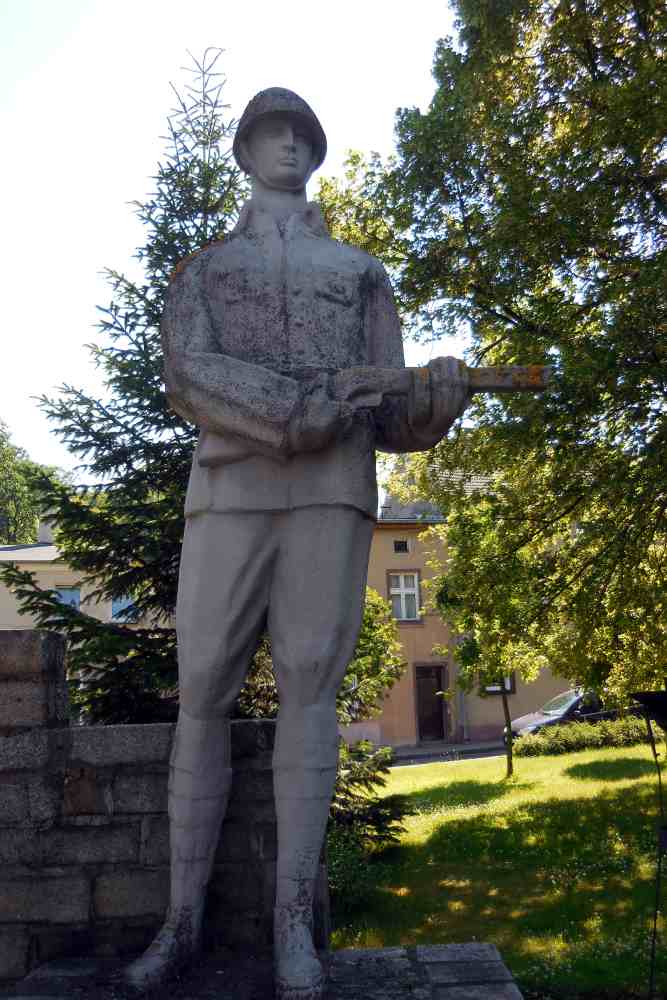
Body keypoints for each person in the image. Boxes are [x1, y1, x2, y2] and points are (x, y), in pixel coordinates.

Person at [122, 87, 470, 1000]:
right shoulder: (204, 270)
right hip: (229, 491)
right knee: (201, 685)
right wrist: (292, 413)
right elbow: (187, 375)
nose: (286, 144)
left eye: (300, 134)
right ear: (242, 152)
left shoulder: (359, 271)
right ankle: (179, 920)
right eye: (269, 134)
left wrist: (433, 400)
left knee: (312, 689)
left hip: (331, 492)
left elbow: (390, 412)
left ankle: (291, 928)